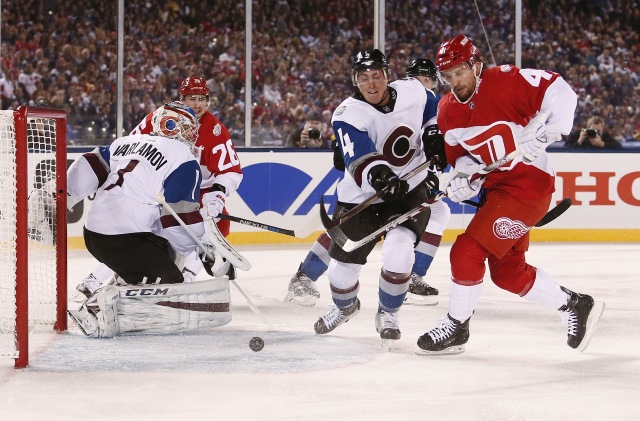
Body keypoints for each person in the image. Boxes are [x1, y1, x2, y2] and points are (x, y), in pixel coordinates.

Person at [416, 34, 605, 355]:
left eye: (459, 72)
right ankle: (575, 304)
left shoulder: (504, 80)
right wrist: (463, 177)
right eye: (447, 77)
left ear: (476, 66)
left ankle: (457, 325)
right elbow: (461, 157)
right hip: (497, 194)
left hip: (529, 186)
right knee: (507, 273)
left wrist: (550, 127)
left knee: (466, 252)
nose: (454, 82)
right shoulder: (447, 110)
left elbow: (560, 90)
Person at [284, 57, 449, 308]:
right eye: (419, 80)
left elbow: (432, 136)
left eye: (428, 82)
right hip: (371, 183)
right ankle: (306, 273)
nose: (423, 86)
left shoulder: (424, 104)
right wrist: (347, 150)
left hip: (406, 186)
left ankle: (413, 273)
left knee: (438, 212)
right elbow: (354, 149)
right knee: (348, 232)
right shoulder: (375, 105)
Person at [66, 103, 231, 337]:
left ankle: (124, 281)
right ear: (173, 126)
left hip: (93, 234)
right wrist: (204, 249)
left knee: (163, 249)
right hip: (126, 240)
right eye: (189, 128)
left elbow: (88, 164)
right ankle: (95, 308)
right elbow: (179, 222)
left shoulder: (124, 142)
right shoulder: (183, 157)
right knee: (169, 283)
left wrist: (63, 195)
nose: (192, 135)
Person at [312, 49, 440, 346]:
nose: (372, 84)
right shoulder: (347, 114)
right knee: (341, 273)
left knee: (399, 249)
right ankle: (345, 307)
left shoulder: (411, 90)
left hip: (409, 192)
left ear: (388, 75)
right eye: (364, 77)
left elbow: (432, 103)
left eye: (377, 75)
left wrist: (433, 132)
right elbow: (359, 157)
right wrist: (381, 177)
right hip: (362, 198)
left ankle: (389, 312)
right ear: (355, 80)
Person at [74, 76, 243, 298]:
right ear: (181, 99)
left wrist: (218, 194)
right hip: (160, 189)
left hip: (200, 192)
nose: (197, 104)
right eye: (191, 99)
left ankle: (187, 277)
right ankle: (95, 279)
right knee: (141, 235)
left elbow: (230, 170)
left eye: (201, 99)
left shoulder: (215, 130)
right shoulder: (159, 118)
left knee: (216, 228)